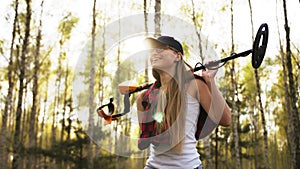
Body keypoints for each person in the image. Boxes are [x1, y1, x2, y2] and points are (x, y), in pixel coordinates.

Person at [136, 36, 231, 169]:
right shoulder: (143, 98)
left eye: (161, 49)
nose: (155, 53)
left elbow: (225, 120)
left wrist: (210, 82)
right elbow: (146, 138)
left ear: (178, 56)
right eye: (153, 50)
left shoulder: (194, 85)